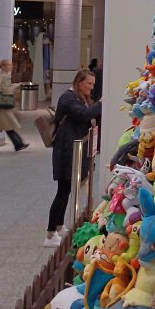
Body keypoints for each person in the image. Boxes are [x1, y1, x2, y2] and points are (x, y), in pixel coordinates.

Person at [44, 69, 101, 247]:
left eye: (93, 84)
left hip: (72, 150)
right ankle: (50, 233)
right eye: (88, 84)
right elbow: (83, 115)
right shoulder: (68, 98)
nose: (91, 88)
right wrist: (101, 104)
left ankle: (59, 227)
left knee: (66, 190)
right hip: (66, 151)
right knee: (62, 191)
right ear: (79, 82)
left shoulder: (80, 98)